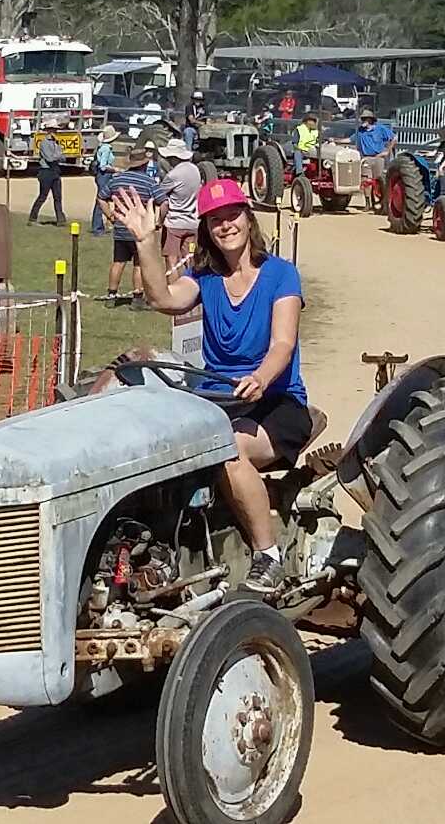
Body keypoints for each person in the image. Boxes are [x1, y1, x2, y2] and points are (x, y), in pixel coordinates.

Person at [111, 177, 308, 596]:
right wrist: (146, 241)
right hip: (219, 401)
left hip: (275, 402)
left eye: (232, 214)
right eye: (214, 220)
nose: (225, 225)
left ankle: (267, 554)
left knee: (228, 449)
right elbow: (163, 298)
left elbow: (283, 343)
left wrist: (261, 376)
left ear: (248, 218)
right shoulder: (206, 278)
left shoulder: (280, 275)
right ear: (205, 229)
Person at [100, 147, 164, 309]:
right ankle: (137, 297)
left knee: (118, 262)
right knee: (138, 263)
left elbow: (101, 198)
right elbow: (164, 202)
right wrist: (158, 221)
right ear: (144, 164)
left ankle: (111, 295)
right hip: (139, 230)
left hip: (121, 228)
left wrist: (111, 216)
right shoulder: (149, 182)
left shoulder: (117, 179)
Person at [157, 137, 201, 272]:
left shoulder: (173, 175)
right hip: (193, 224)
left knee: (171, 261)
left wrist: (159, 221)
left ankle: (173, 289)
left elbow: (160, 194)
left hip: (174, 224)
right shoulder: (195, 170)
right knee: (190, 258)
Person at [28, 118, 67, 225]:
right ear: (48, 130)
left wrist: (58, 155)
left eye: (56, 130)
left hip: (55, 171)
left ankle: (60, 219)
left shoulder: (57, 143)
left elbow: (64, 157)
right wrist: (58, 155)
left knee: (58, 196)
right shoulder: (44, 143)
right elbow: (49, 158)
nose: (55, 132)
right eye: (53, 130)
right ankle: (32, 218)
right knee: (43, 196)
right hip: (46, 172)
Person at [350, 108, 396, 183]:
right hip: (366, 158)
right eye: (362, 119)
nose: (362, 121)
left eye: (365, 119)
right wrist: (334, 140)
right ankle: (367, 195)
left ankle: (377, 194)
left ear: (370, 120)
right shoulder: (361, 131)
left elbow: (394, 138)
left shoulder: (380, 128)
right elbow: (350, 139)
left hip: (379, 157)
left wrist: (387, 151)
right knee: (366, 180)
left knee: (379, 181)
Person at [90, 125, 118, 236]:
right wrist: (115, 169)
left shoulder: (102, 147)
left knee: (102, 200)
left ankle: (99, 226)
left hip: (102, 176)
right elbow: (103, 166)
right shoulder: (106, 149)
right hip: (104, 175)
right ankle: (97, 228)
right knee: (101, 201)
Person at [292, 112, 319, 176]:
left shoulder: (316, 131)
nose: (312, 123)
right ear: (306, 121)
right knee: (297, 153)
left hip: (313, 150)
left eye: (314, 121)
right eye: (311, 121)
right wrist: (301, 149)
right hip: (301, 150)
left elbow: (320, 140)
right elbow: (295, 143)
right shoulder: (299, 130)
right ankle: (299, 171)